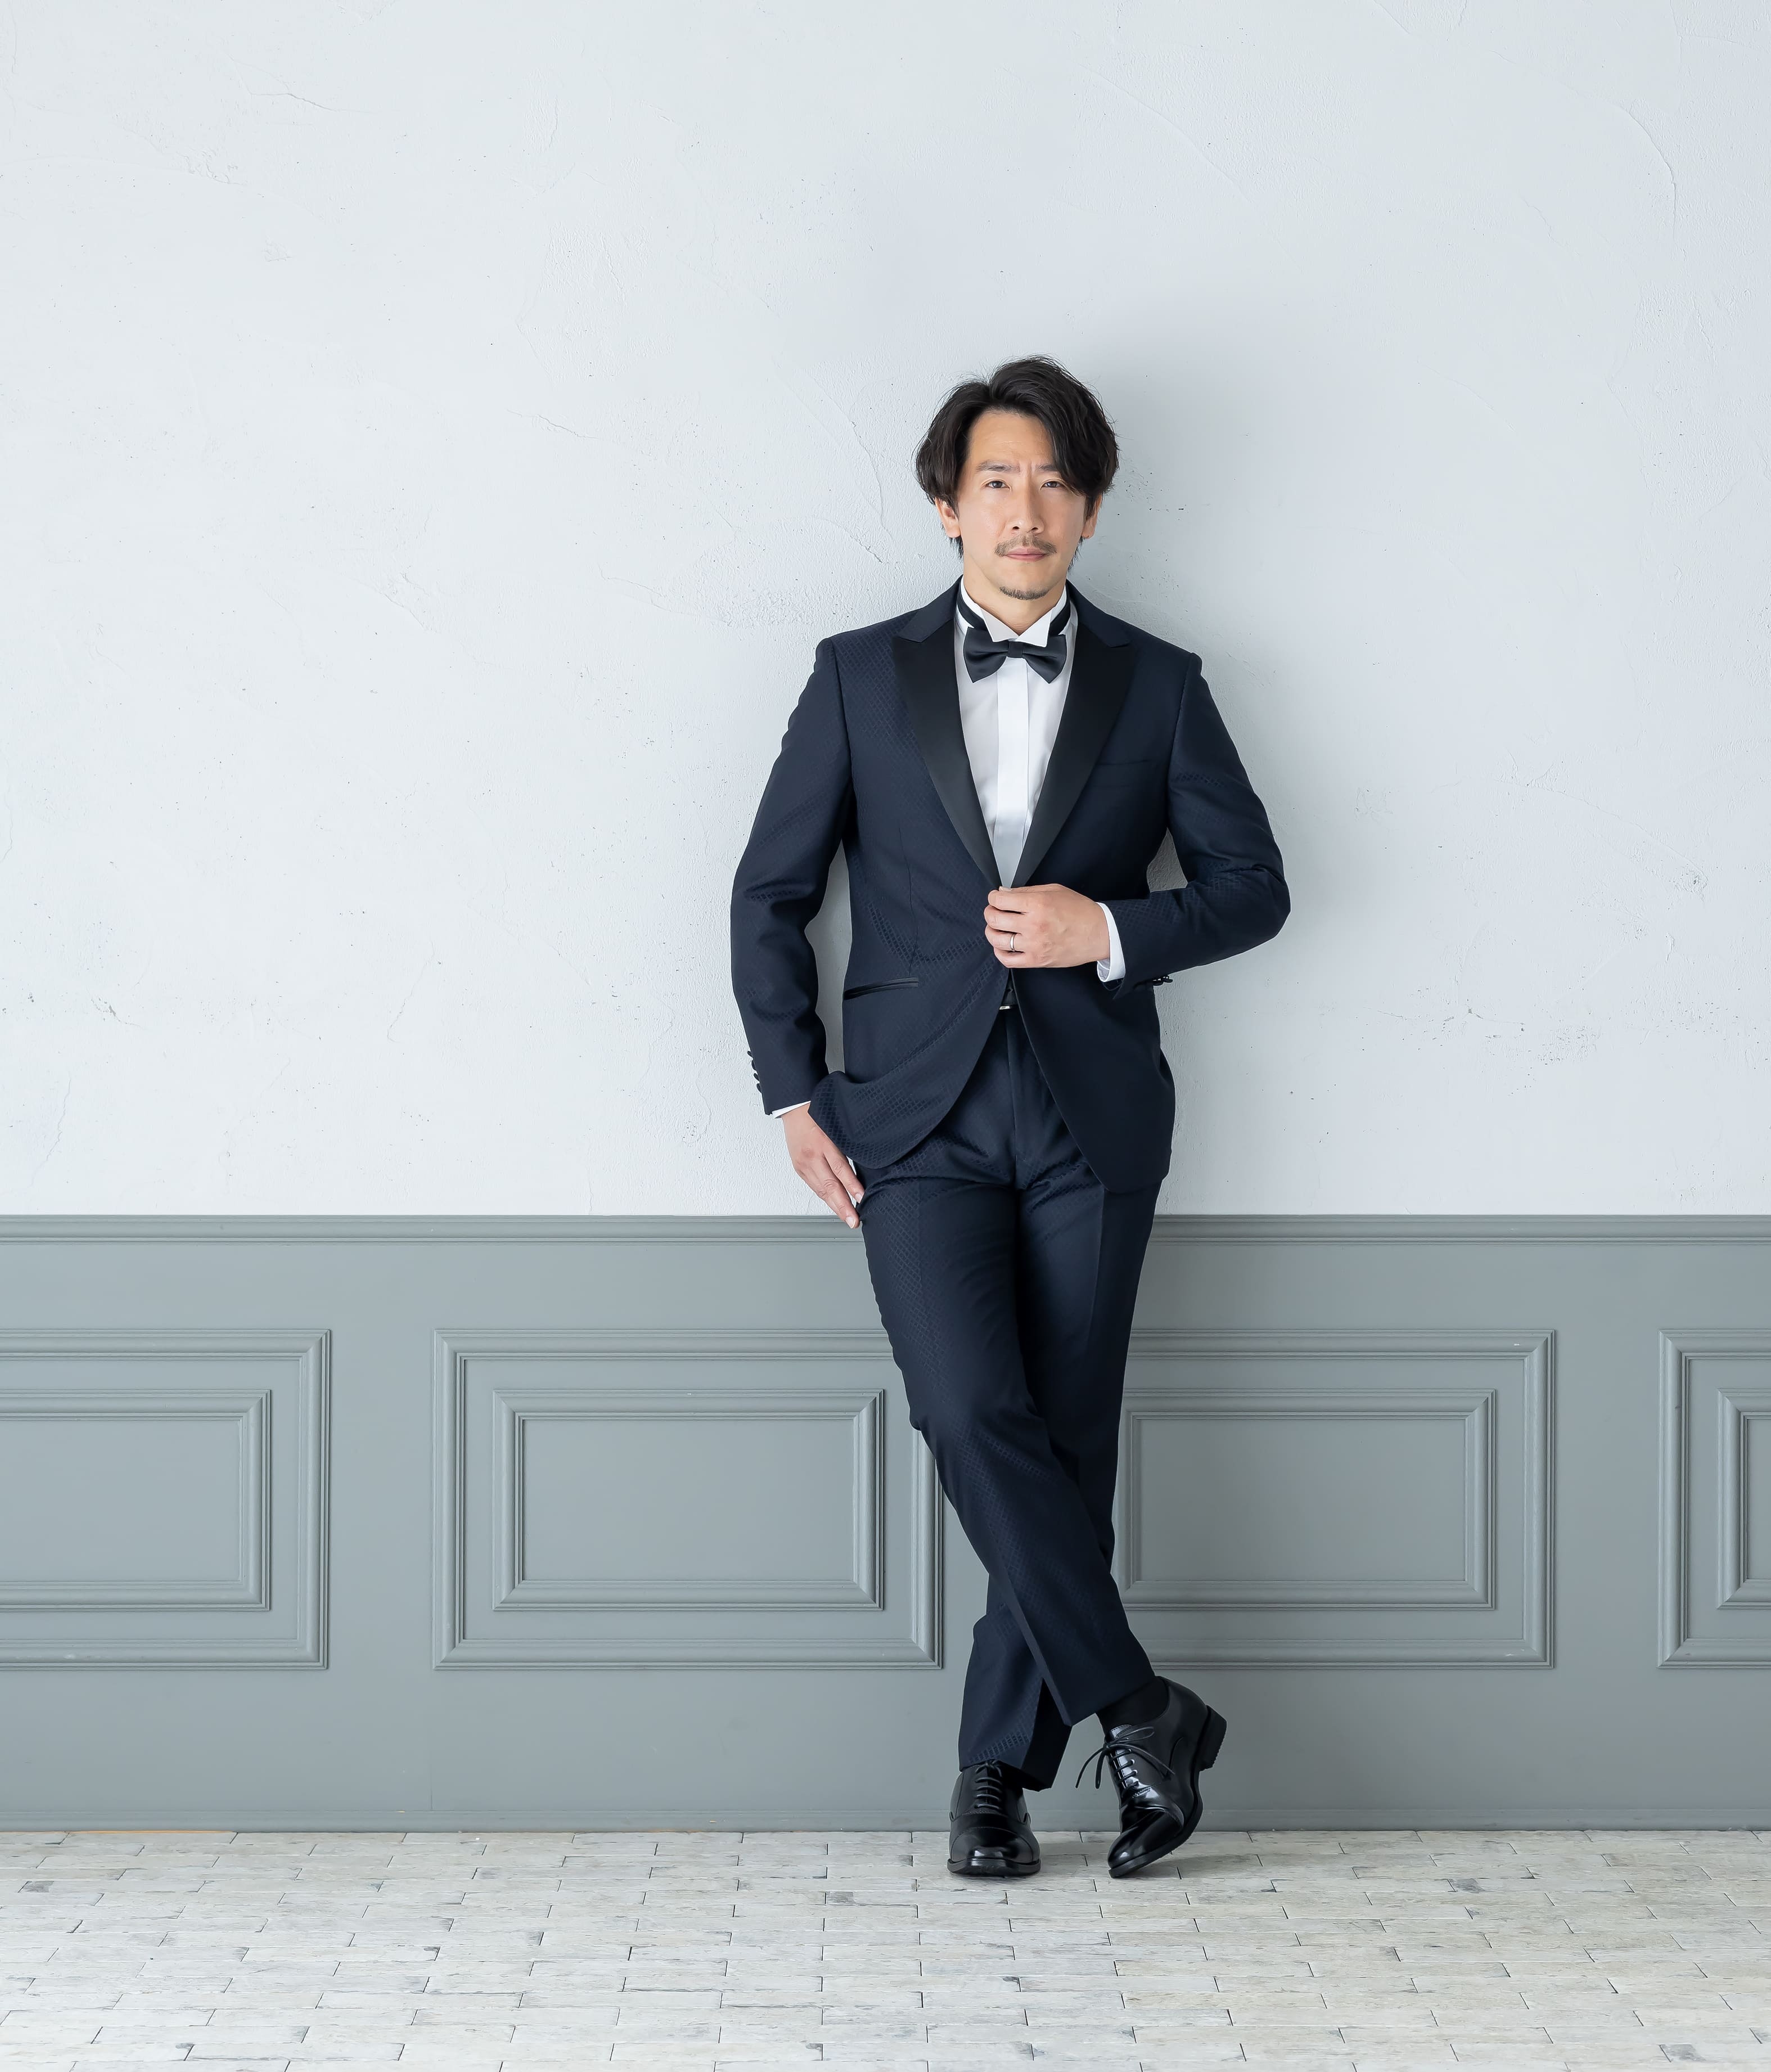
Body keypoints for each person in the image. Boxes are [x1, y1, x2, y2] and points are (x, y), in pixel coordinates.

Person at [729, 357, 1289, 1878]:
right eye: (996, 481)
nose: (1024, 509)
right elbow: (770, 893)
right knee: (972, 1412)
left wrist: (1105, 928)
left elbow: (1253, 887)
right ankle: (1141, 1706)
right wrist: (791, 1089)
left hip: (1090, 1113)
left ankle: (995, 1776)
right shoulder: (860, 674)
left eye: (1053, 483)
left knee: (1064, 1440)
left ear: (1089, 511)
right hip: (908, 1119)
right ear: (947, 505)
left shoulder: (1162, 684)